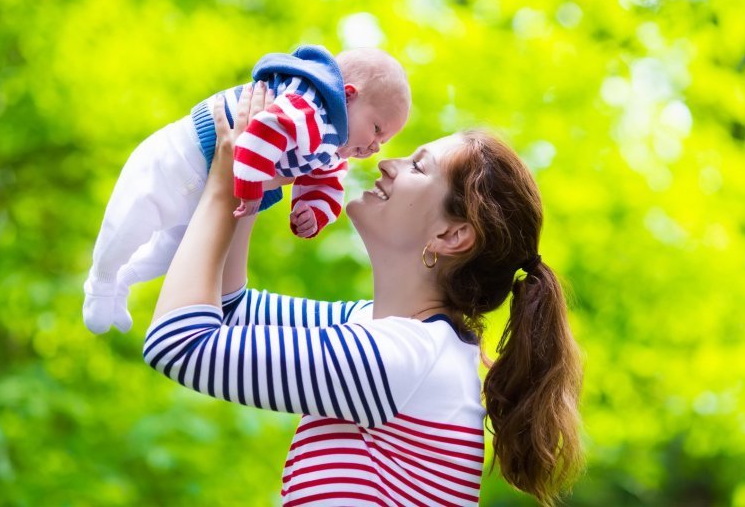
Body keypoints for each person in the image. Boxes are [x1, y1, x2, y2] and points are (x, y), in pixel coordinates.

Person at [143, 84, 583, 506]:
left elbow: (178, 344)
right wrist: (253, 180)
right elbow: (230, 309)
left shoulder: (401, 357)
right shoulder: (377, 328)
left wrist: (224, 186)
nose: (388, 163)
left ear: (452, 234)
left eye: (418, 166)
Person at [83, 45, 411, 335]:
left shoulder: (331, 147)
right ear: (349, 95)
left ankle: (123, 282)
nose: (374, 147)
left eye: (383, 141)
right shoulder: (307, 105)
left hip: (205, 195)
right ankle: (101, 284)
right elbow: (261, 133)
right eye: (376, 128)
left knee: (170, 254)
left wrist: (312, 212)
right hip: (178, 161)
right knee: (129, 224)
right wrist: (252, 189)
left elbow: (327, 183)